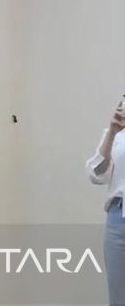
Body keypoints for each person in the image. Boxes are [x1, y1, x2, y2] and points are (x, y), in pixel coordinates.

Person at [87, 97, 125, 306]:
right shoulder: (117, 134)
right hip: (118, 216)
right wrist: (112, 132)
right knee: (118, 296)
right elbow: (97, 174)